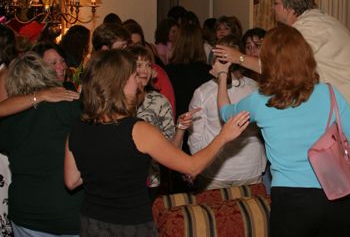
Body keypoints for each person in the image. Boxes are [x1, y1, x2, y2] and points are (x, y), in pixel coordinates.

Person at [212, 0, 350, 235]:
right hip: (349, 106)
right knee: (341, 182)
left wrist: (231, 62)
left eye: (277, 4)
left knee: (341, 178)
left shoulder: (307, 30)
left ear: (291, 8)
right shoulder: (321, 26)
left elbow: (275, 68)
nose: (274, 10)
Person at [64, 49, 250, 237]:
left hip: (91, 224)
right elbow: (191, 167)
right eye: (133, 76)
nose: (138, 81)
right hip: (130, 227)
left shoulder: (78, 127)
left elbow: (71, 181)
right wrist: (223, 136)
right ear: (118, 83)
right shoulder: (138, 130)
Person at [0, 52, 83, 236]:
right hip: (67, 212)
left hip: (24, 215)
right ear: (47, 74)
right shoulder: (70, 106)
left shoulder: (7, 120)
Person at [188, 35, 265, 191]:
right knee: (252, 215)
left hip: (219, 171)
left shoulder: (203, 92)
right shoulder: (257, 88)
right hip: (244, 168)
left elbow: (195, 136)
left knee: (213, 216)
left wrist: (197, 165)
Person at [127, 45, 192, 200]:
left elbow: (172, 149)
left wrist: (181, 128)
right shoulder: (116, 100)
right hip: (121, 180)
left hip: (151, 182)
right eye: (138, 65)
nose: (144, 70)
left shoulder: (159, 101)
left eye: (148, 65)